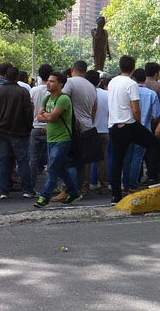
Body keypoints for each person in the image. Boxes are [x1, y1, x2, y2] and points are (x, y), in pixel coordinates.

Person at [109, 55, 160, 204]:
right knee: (153, 143)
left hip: (113, 124)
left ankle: (115, 195)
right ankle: (152, 175)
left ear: (120, 67)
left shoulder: (113, 82)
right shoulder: (131, 84)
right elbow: (135, 108)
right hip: (129, 123)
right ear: (133, 68)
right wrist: (138, 124)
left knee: (118, 160)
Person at [33, 72, 82, 208]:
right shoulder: (47, 98)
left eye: (52, 81)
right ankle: (74, 192)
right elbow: (39, 117)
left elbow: (51, 117)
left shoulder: (63, 99)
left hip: (63, 139)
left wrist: (46, 116)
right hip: (51, 139)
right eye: (48, 81)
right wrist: (46, 116)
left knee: (52, 168)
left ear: (60, 84)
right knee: (60, 169)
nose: (48, 83)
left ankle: (45, 196)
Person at [0, 66, 35, 199]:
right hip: (19, 130)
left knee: (2, 160)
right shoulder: (22, 92)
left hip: (1, 131)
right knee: (22, 160)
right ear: (17, 78)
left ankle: (3, 190)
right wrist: (28, 128)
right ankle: (27, 189)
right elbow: (28, 112)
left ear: (4, 76)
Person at [58, 60, 97, 197]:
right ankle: (78, 189)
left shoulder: (70, 82)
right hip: (88, 127)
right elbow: (94, 109)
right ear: (85, 71)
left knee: (70, 161)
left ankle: (67, 190)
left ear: (72, 69)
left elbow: (62, 100)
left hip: (74, 128)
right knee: (81, 161)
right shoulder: (91, 86)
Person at [123, 68, 160, 190]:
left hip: (128, 128)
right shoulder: (151, 94)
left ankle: (125, 183)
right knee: (137, 159)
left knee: (127, 158)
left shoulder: (127, 92)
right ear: (145, 79)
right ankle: (133, 184)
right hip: (144, 130)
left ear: (133, 78)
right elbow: (155, 115)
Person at [29, 64, 53, 186]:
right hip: (51, 127)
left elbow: (31, 108)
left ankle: (30, 186)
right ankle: (50, 185)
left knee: (33, 158)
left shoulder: (33, 90)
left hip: (36, 126)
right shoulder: (54, 92)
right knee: (51, 159)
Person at [91, 72, 111, 192]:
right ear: (99, 81)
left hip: (90, 130)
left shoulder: (87, 93)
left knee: (89, 159)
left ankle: (87, 184)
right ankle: (103, 183)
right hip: (104, 129)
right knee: (103, 158)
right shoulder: (106, 94)